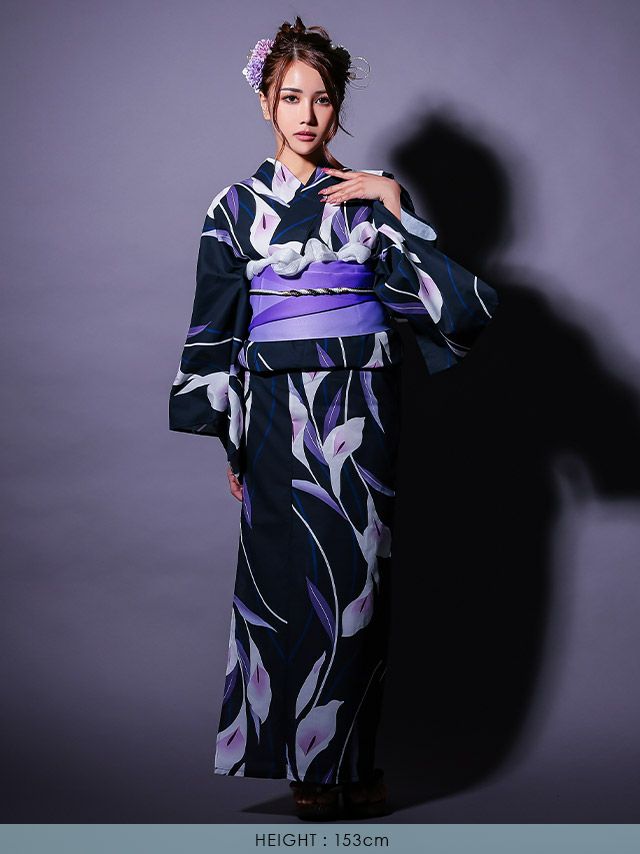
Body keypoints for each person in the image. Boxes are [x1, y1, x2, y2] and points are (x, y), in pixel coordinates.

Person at [168, 16, 500, 821]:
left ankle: (353, 762)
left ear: (338, 106)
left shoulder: (367, 198)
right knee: (283, 582)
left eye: (321, 99)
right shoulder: (233, 208)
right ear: (265, 103)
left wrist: (396, 207)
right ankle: (308, 770)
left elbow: (447, 306)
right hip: (273, 410)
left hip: (361, 409)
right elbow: (216, 329)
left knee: (356, 584)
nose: (307, 114)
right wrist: (232, 439)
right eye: (291, 98)